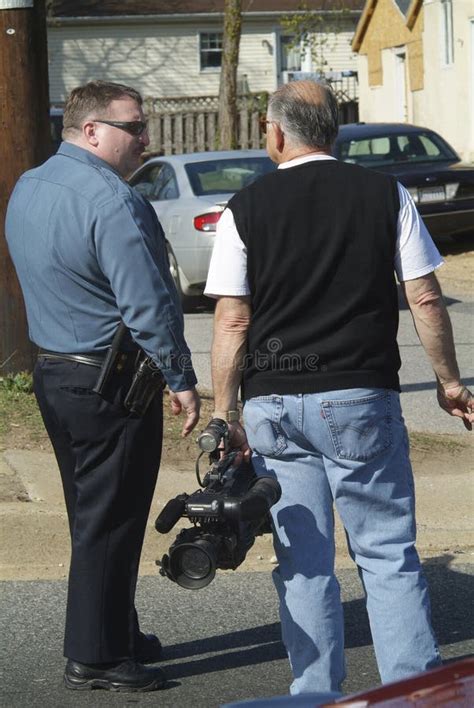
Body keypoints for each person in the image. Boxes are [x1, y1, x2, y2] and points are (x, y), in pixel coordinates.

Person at [204, 80, 473, 696]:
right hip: (359, 398)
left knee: (303, 562)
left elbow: (232, 318)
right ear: (335, 133)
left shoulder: (243, 207)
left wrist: (226, 412)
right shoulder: (386, 195)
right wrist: (449, 381)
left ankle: (314, 692)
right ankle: (413, 692)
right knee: (386, 557)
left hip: (273, 401)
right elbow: (424, 294)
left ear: (274, 134)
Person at [5, 80, 200, 692]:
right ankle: (95, 657)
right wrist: (181, 377)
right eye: (134, 127)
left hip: (55, 373)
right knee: (110, 519)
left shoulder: (30, 185)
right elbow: (146, 302)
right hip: (108, 381)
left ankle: (115, 629)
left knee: (95, 512)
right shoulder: (113, 199)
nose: (146, 139)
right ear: (91, 131)